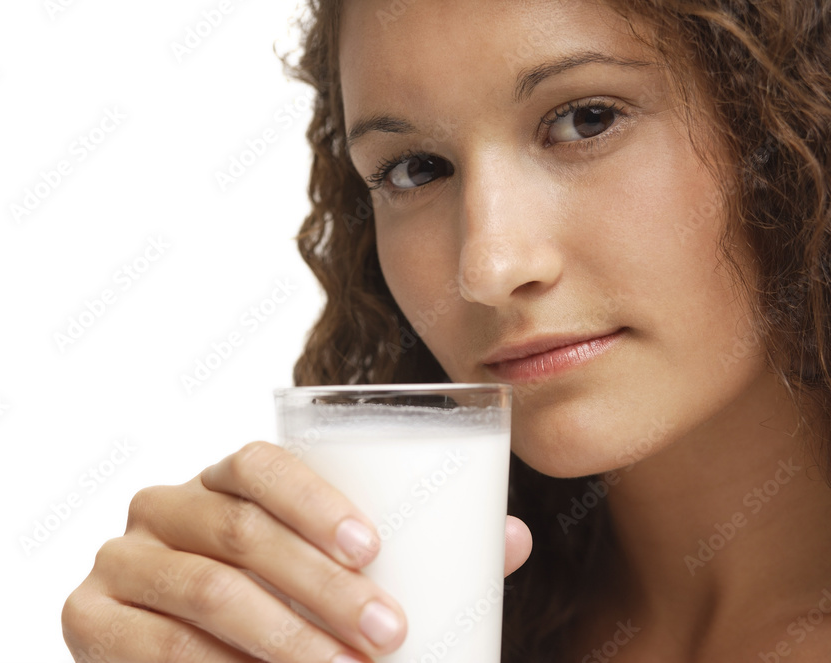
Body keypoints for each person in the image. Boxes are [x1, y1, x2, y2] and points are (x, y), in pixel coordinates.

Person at [62, 0, 831, 660]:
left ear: (797, 122)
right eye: (416, 169)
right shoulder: (419, 622)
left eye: (584, 119)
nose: (488, 264)